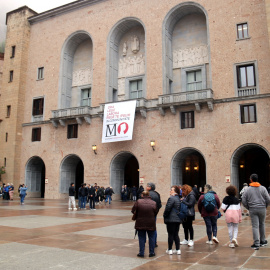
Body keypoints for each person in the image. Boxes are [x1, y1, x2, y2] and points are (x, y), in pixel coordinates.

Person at [242, 174, 270, 250]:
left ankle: (256, 243)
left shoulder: (247, 189)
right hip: (262, 208)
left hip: (253, 209)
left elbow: (243, 200)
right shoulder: (263, 188)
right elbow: (268, 199)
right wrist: (265, 206)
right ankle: (263, 241)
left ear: (251, 180)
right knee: (262, 224)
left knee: (255, 226)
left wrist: (248, 207)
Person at [131, 191, 157, 258]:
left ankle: (141, 252)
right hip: (151, 223)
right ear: (149, 195)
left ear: (142, 195)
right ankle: (152, 252)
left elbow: (132, 210)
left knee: (141, 238)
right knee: (151, 237)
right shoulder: (153, 203)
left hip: (140, 222)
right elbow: (155, 212)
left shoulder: (138, 201)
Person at [163, 185, 181, 255]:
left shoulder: (171, 198)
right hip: (177, 219)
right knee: (176, 234)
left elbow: (168, 208)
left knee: (170, 234)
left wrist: (165, 215)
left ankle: (170, 249)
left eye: (171, 190)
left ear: (175, 191)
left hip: (171, 219)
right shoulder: (179, 198)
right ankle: (178, 249)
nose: (170, 191)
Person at [146, 182, 162, 248]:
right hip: (154, 214)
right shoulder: (157, 194)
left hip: (147, 214)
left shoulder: (147, 194)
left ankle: (144, 242)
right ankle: (154, 242)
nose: (146, 187)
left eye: (147, 186)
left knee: (144, 229)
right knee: (153, 228)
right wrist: (156, 212)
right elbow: (159, 205)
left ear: (150, 187)